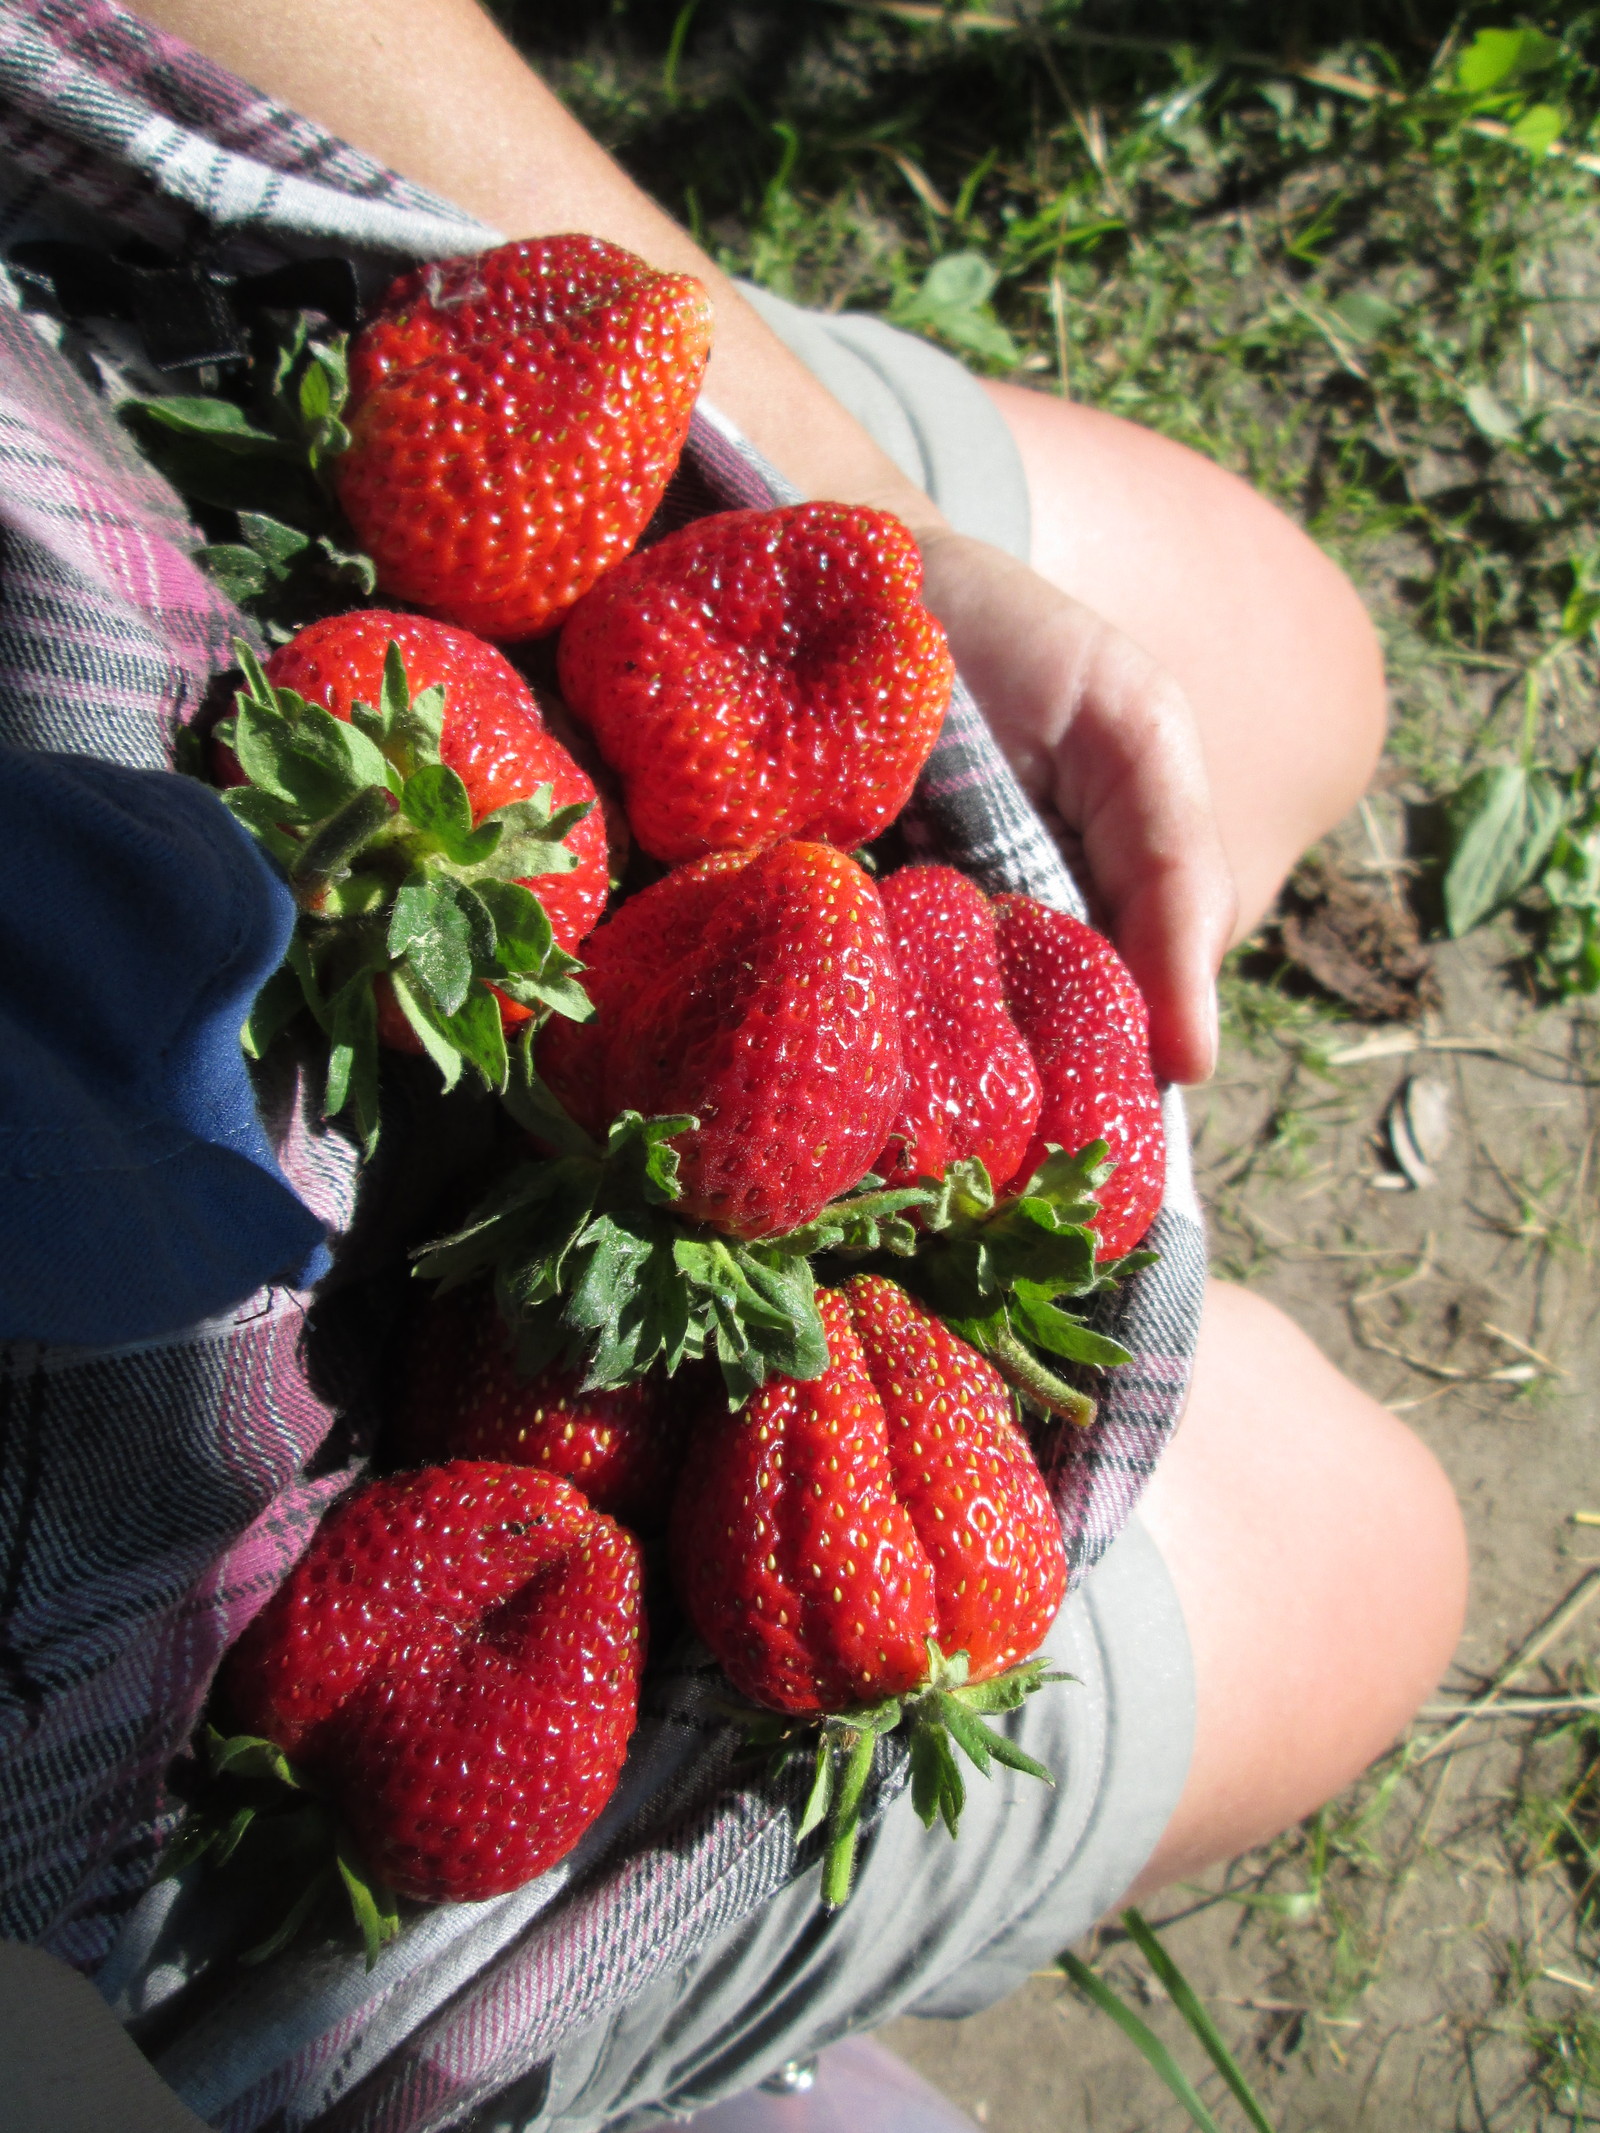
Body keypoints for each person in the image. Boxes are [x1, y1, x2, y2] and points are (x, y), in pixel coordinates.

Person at [0, 1, 1468, 2126]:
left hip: (273, 422)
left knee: (1285, 657)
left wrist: (866, 507)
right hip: (181, 1801)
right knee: (1359, 1547)